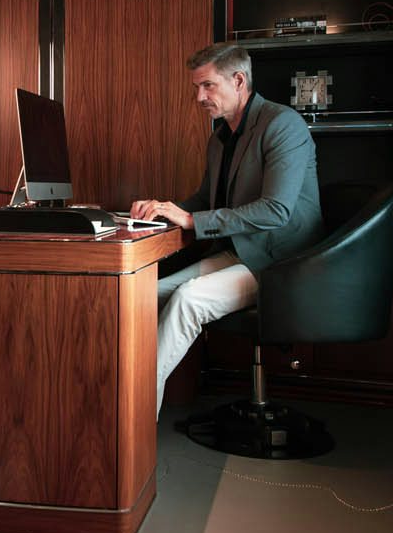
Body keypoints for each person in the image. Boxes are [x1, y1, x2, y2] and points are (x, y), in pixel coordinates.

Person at [130, 42, 323, 417]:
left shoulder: (282, 124)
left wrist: (191, 221)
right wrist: (162, 211)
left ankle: (134, 414)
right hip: (241, 252)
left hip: (280, 261)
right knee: (146, 293)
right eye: (196, 89)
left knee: (187, 299)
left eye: (208, 86)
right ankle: (128, 394)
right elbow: (205, 199)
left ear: (238, 80)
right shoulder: (220, 139)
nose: (199, 97)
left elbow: (276, 210)